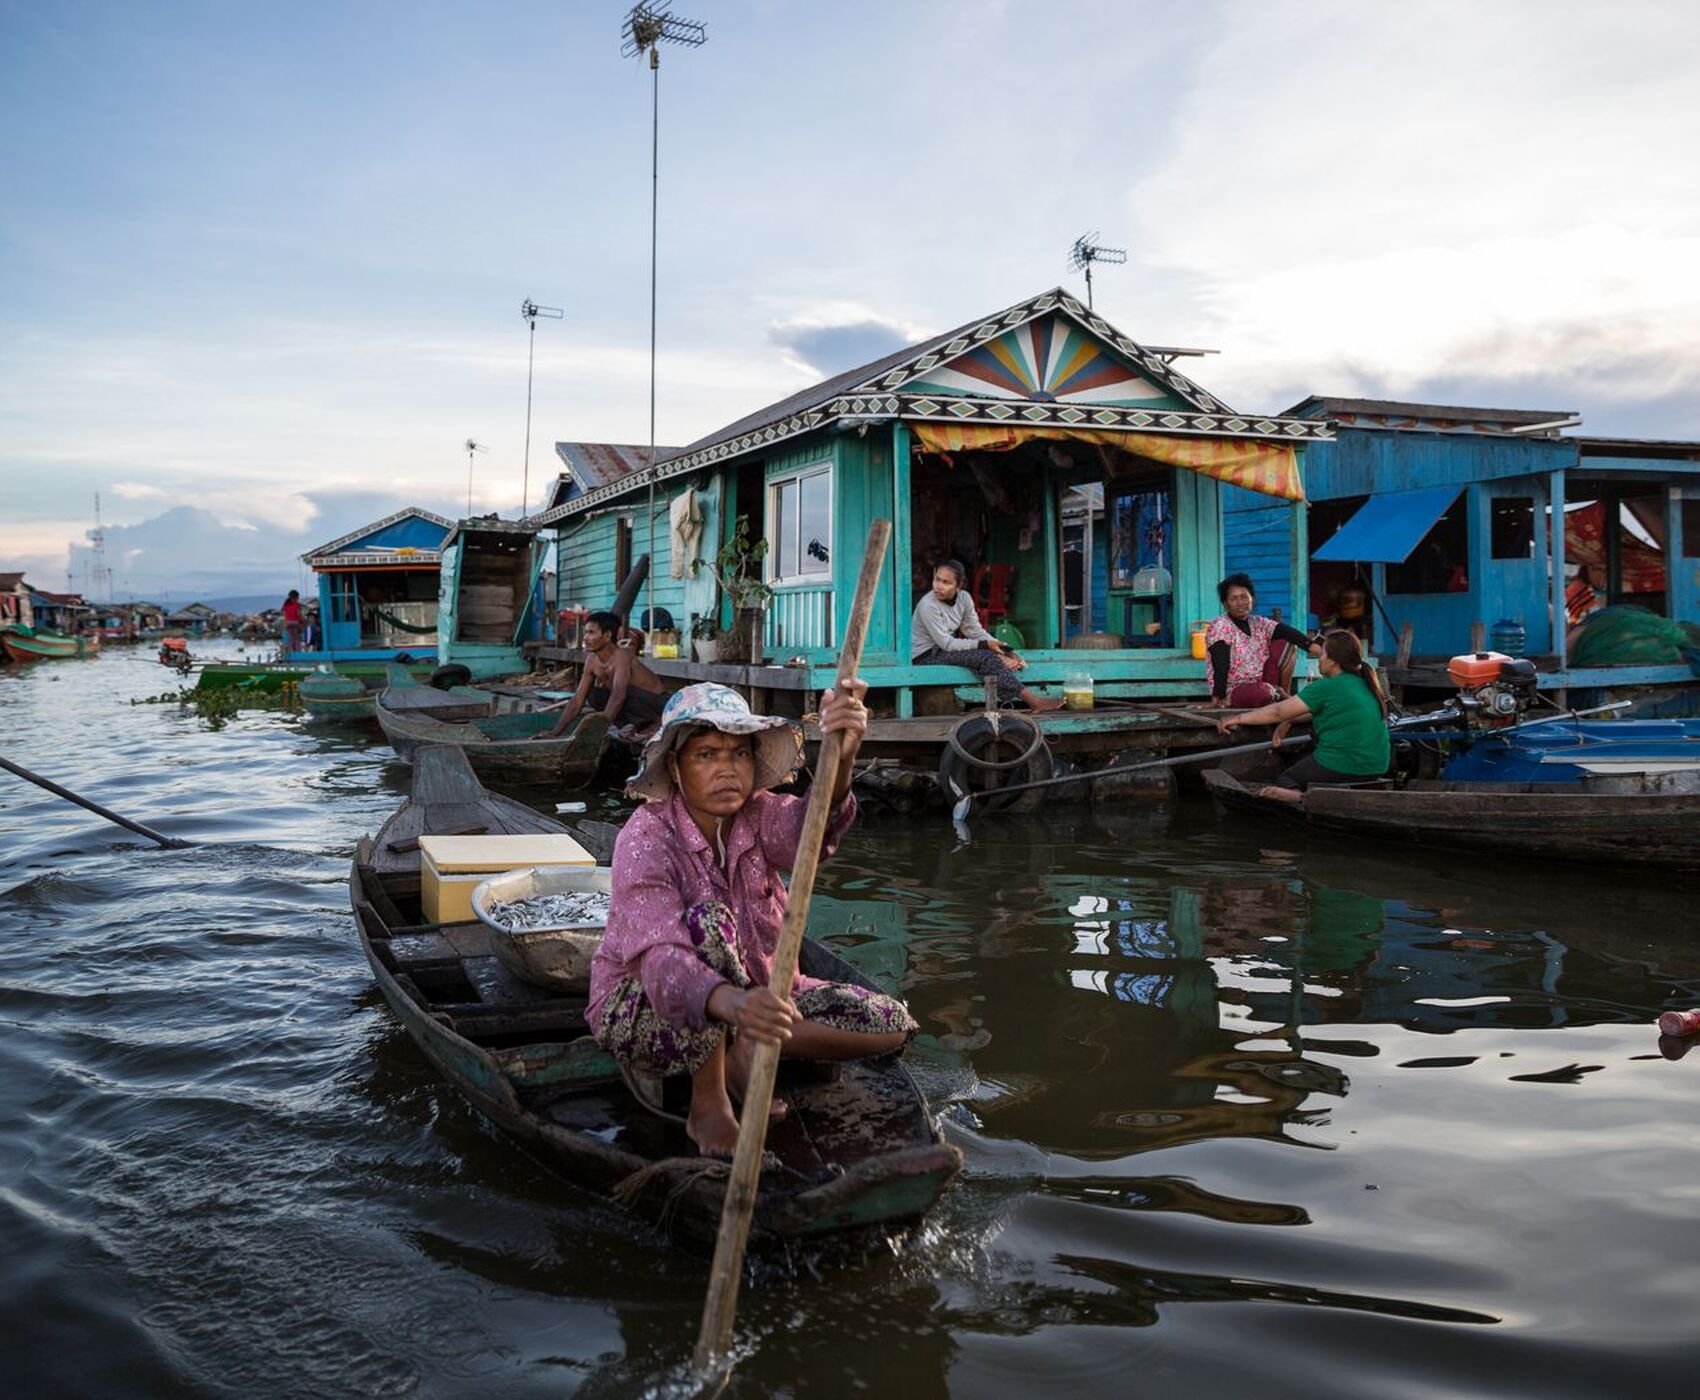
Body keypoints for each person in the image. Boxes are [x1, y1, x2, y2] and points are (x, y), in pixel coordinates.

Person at [591, 680, 916, 1156]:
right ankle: (709, 1103)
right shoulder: (645, 839)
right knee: (708, 922)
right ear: (676, 769)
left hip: (759, 989)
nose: (726, 769)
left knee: (891, 1025)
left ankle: (747, 1051)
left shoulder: (759, 813)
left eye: (738, 754)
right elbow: (662, 963)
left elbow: (813, 832)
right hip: (646, 1006)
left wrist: (841, 758)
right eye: (706, 755)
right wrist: (734, 1007)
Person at [1216, 630, 1392, 801]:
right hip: (1377, 766)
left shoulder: (1328, 686)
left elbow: (1277, 712)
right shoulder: (1366, 683)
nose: (1319, 659)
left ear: (1333, 662)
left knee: (1287, 779)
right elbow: (1317, 711)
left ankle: (1301, 797)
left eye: (1322, 654)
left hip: (1346, 765)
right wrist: (1290, 719)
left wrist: (1237, 718)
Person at [911, 559, 1062, 711]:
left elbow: (974, 630)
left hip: (944, 651)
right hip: (926, 655)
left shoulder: (964, 599)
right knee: (985, 657)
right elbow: (947, 644)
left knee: (988, 657)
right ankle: (1034, 702)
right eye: (937, 579)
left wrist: (1005, 649)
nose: (938, 586)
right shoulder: (927, 605)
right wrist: (987, 646)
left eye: (946, 582)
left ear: (959, 586)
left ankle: (1005, 675)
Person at [536, 610, 667, 741]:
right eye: (585, 632)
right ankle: (636, 726)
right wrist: (555, 733)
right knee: (595, 696)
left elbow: (618, 695)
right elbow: (577, 700)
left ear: (607, 636)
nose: (586, 637)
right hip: (635, 703)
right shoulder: (591, 660)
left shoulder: (621, 656)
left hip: (658, 704)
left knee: (623, 693)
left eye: (591, 632)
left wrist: (600, 729)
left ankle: (654, 723)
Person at [1205, 573, 1322, 709]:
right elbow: (1220, 666)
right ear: (1225, 604)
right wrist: (1216, 699)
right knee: (1263, 693)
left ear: (1252, 599)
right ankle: (1280, 696)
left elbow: (1290, 633)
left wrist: (1322, 652)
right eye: (1233, 599)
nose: (1240, 603)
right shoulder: (1220, 626)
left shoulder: (1259, 623)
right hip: (1234, 690)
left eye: (1244, 597)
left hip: (1262, 682)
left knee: (1287, 642)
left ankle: (1281, 692)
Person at [280, 589, 303, 654]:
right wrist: (303, 621)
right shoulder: (297, 605)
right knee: (297, 639)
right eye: (298, 597)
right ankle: (298, 653)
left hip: (288, 623)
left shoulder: (286, 605)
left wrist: (287, 621)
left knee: (290, 639)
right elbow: (299, 614)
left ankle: (290, 652)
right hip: (296, 623)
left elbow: (284, 614)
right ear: (296, 597)